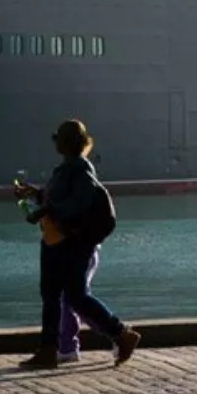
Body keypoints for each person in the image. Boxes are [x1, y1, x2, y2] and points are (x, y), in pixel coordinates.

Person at [13, 119, 138, 369]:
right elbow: (60, 198)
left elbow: (78, 204)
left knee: (75, 297)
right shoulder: (66, 169)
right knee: (52, 296)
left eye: (59, 139)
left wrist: (47, 210)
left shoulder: (81, 171)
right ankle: (48, 350)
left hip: (70, 243)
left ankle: (121, 333)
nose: (56, 143)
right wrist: (35, 193)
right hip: (54, 240)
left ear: (68, 143)